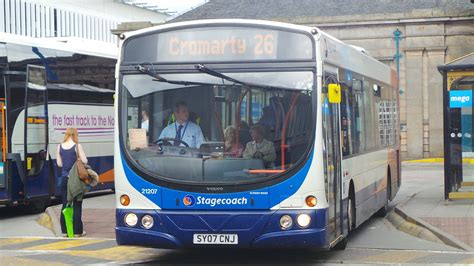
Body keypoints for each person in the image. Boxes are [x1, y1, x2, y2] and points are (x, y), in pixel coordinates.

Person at [57, 127, 88, 237]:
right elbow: (85, 161)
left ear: (66, 134)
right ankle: (77, 231)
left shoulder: (59, 146)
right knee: (77, 204)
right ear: (75, 134)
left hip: (65, 179)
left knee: (65, 204)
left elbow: (59, 164)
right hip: (75, 180)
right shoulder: (77, 146)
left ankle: (65, 231)